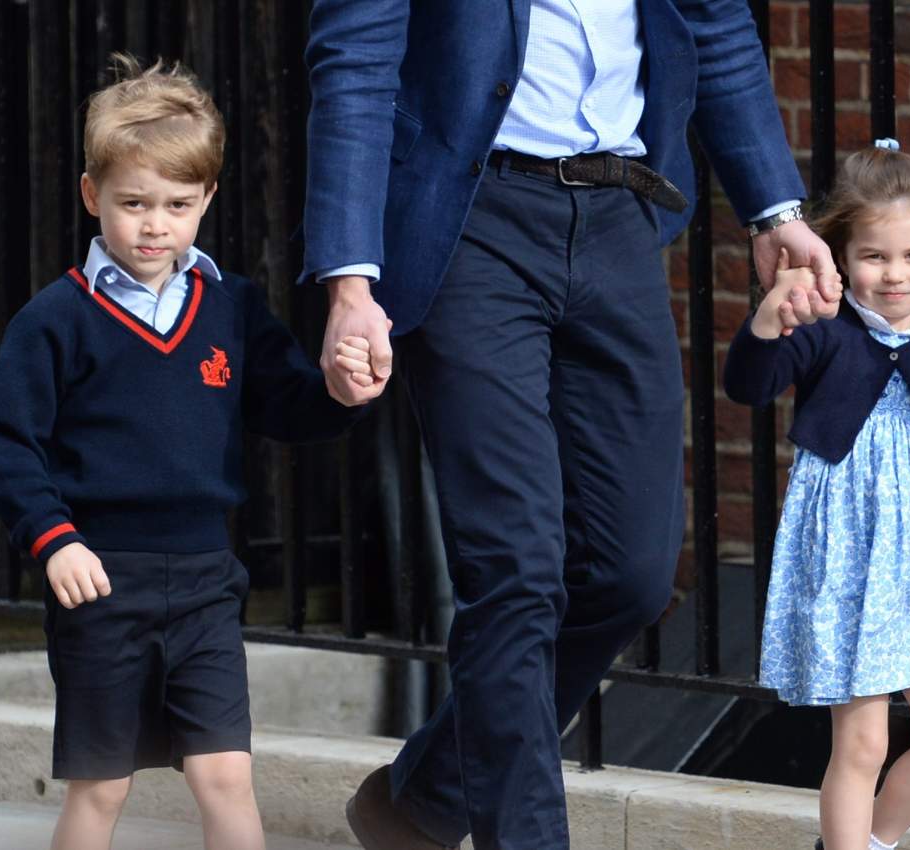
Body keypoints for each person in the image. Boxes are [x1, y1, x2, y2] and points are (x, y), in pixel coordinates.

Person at [302, 2, 841, 848]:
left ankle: (428, 796)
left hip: (620, 217)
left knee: (630, 572)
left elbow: (717, 25)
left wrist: (774, 211)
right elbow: (356, 63)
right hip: (468, 221)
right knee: (515, 568)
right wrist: (349, 283)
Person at [0, 55, 369, 850]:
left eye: (178, 204)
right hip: (98, 584)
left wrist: (336, 389)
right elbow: (7, 438)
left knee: (225, 776)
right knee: (102, 788)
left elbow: (286, 406)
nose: (155, 224)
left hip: (204, 585)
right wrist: (52, 540)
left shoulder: (232, 307)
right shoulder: (55, 321)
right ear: (91, 195)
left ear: (208, 200)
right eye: (133, 203)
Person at [723, 143, 910, 850]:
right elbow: (748, 385)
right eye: (875, 257)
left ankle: (868, 843)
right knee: (859, 747)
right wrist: (769, 319)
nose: (894, 275)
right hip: (853, 554)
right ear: (841, 255)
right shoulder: (823, 330)